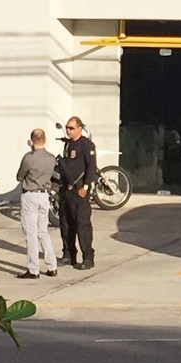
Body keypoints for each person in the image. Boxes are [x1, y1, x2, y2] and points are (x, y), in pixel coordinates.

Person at [14, 128, 58, 279]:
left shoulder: (28, 157)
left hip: (30, 195)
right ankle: (52, 265)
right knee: (43, 231)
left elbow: (20, 176)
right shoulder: (51, 158)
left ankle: (34, 269)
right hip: (44, 196)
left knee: (31, 233)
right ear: (44, 140)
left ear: (31, 142)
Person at [56, 116, 97, 270]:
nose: (68, 130)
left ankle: (88, 257)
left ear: (80, 128)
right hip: (66, 191)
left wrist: (85, 187)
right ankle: (68, 255)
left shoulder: (86, 145)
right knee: (66, 225)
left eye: (71, 128)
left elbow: (91, 168)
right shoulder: (67, 145)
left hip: (80, 191)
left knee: (82, 225)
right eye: (67, 127)